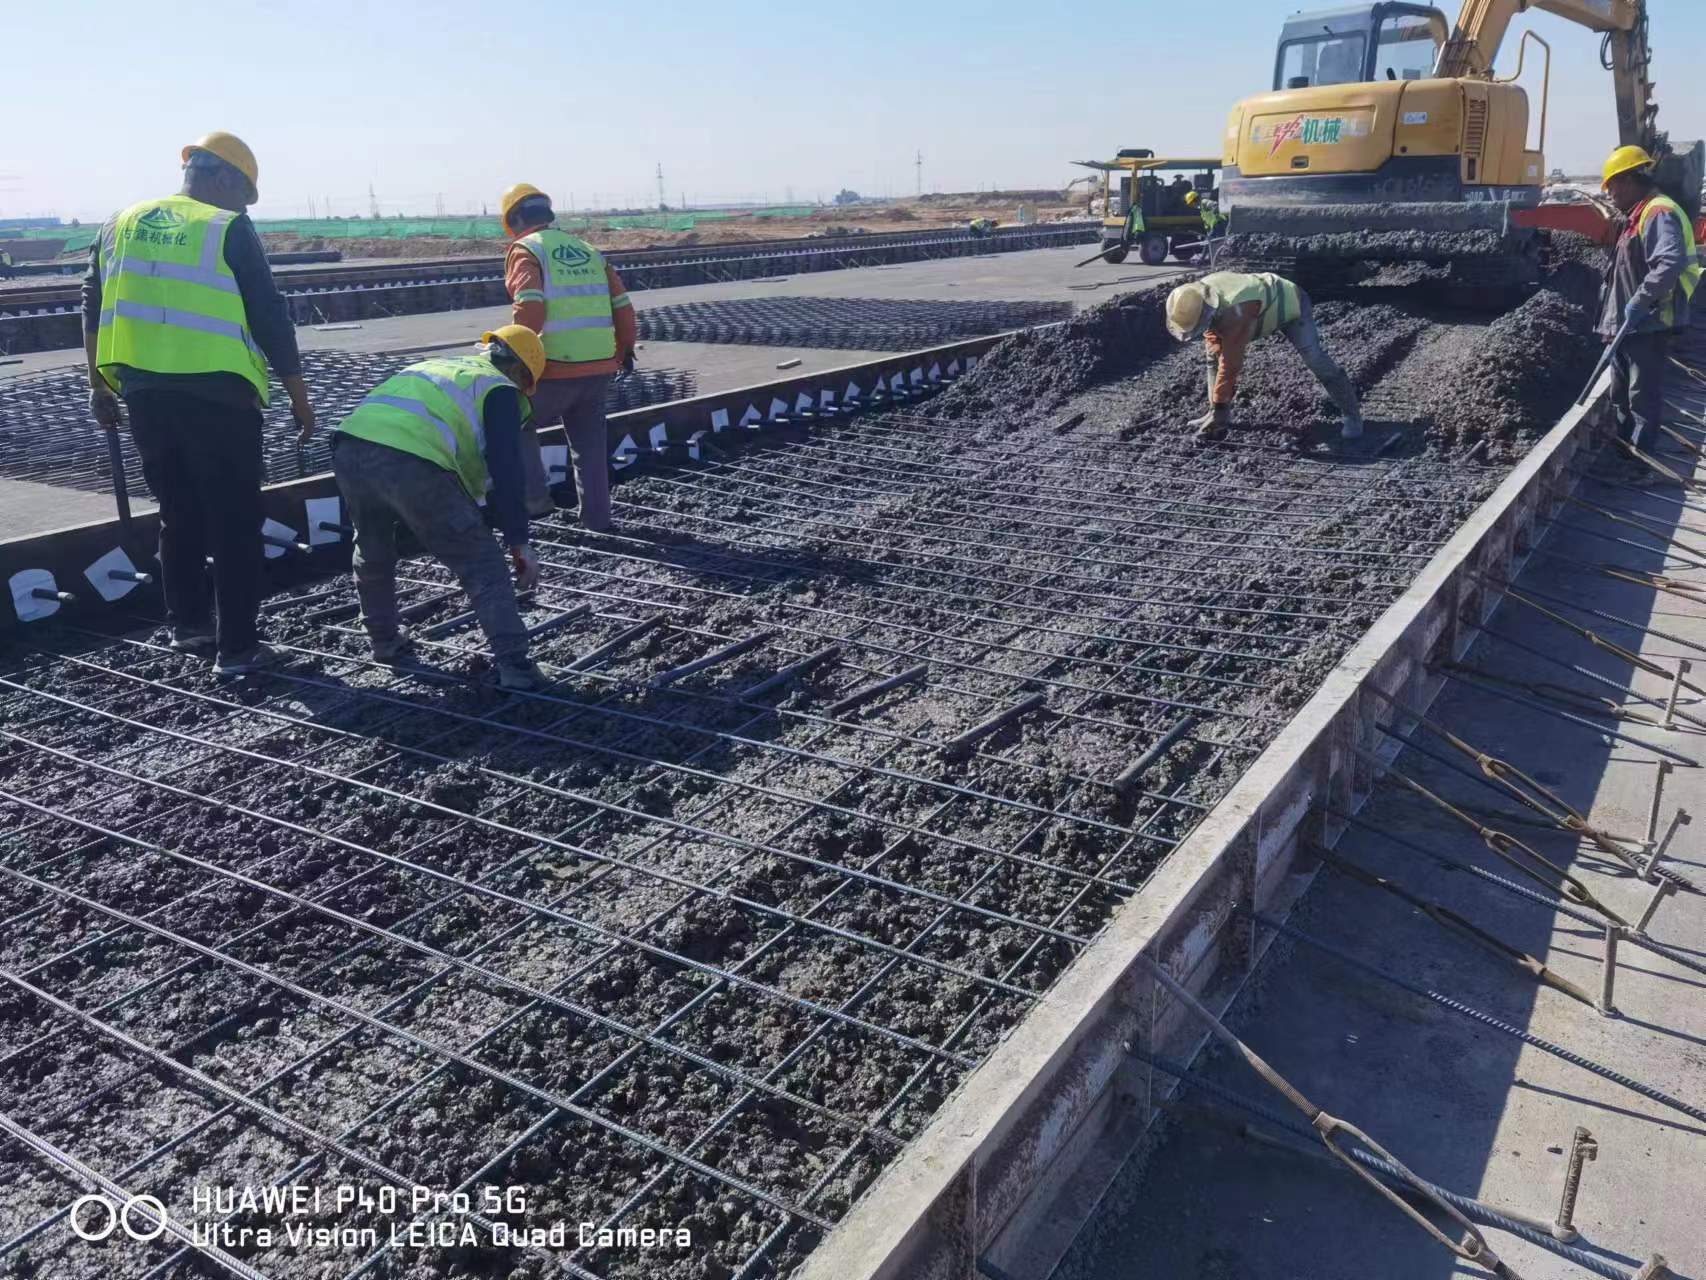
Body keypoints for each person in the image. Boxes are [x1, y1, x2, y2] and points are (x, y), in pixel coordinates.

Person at [84, 131, 315, 676]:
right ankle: (238, 650)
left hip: (145, 396)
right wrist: (298, 398)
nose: (244, 209)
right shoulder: (225, 227)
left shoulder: (120, 223)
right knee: (234, 522)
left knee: (179, 512)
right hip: (219, 398)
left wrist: (98, 385)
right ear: (225, 179)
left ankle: (188, 625)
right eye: (244, 196)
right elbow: (270, 316)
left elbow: (91, 305)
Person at [331, 325, 549, 692]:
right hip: (412, 460)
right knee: (482, 563)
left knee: (372, 547)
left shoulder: (442, 368)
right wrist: (519, 542)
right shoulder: (498, 389)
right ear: (520, 372)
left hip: (349, 447)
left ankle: (384, 640)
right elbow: (507, 471)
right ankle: (516, 666)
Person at [499, 183, 636, 531]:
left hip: (553, 367)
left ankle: (536, 503)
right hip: (600, 366)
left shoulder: (527, 250)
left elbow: (530, 308)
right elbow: (623, 306)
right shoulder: (589, 251)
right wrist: (624, 350)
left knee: (513, 421)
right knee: (589, 445)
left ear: (515, 220)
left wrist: (516, 356)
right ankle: (597, 520)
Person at [1165, 271, 1362, 444]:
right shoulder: (1200, 296)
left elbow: (1231, 364)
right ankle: (1214, 413)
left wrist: (1221, 405)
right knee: (1212, 359)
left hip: (1291, 304)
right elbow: (1213, 340)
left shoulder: (1236, 310)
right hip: (1255, 309)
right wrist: (1217, 407)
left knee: (1314, 357)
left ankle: (1352, 415)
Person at [1597, 144, 1701, 459]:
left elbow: (1668, 263)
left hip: (1648, 322)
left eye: (1612, 186)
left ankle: (1641, 464)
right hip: (1627, 326)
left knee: (1641, 397)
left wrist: (1639, 302)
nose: (1610, 194)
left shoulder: (1658, 212)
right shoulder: (1637, 215)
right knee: (1621, 395)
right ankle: (1623, 455)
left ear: (1629, 180)